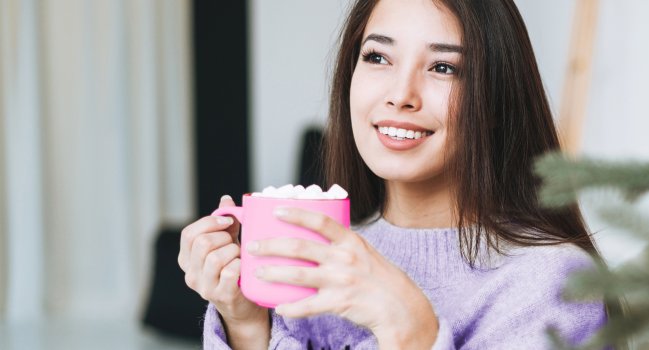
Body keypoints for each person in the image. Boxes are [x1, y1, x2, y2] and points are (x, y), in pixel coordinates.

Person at [178, 0, 614, 348]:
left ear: (495, 103)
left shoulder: (554, 282)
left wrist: (412, 332)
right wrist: (246, 324)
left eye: (443, 67)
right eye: (378, 57)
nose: (400, 95)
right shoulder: (325, 258)